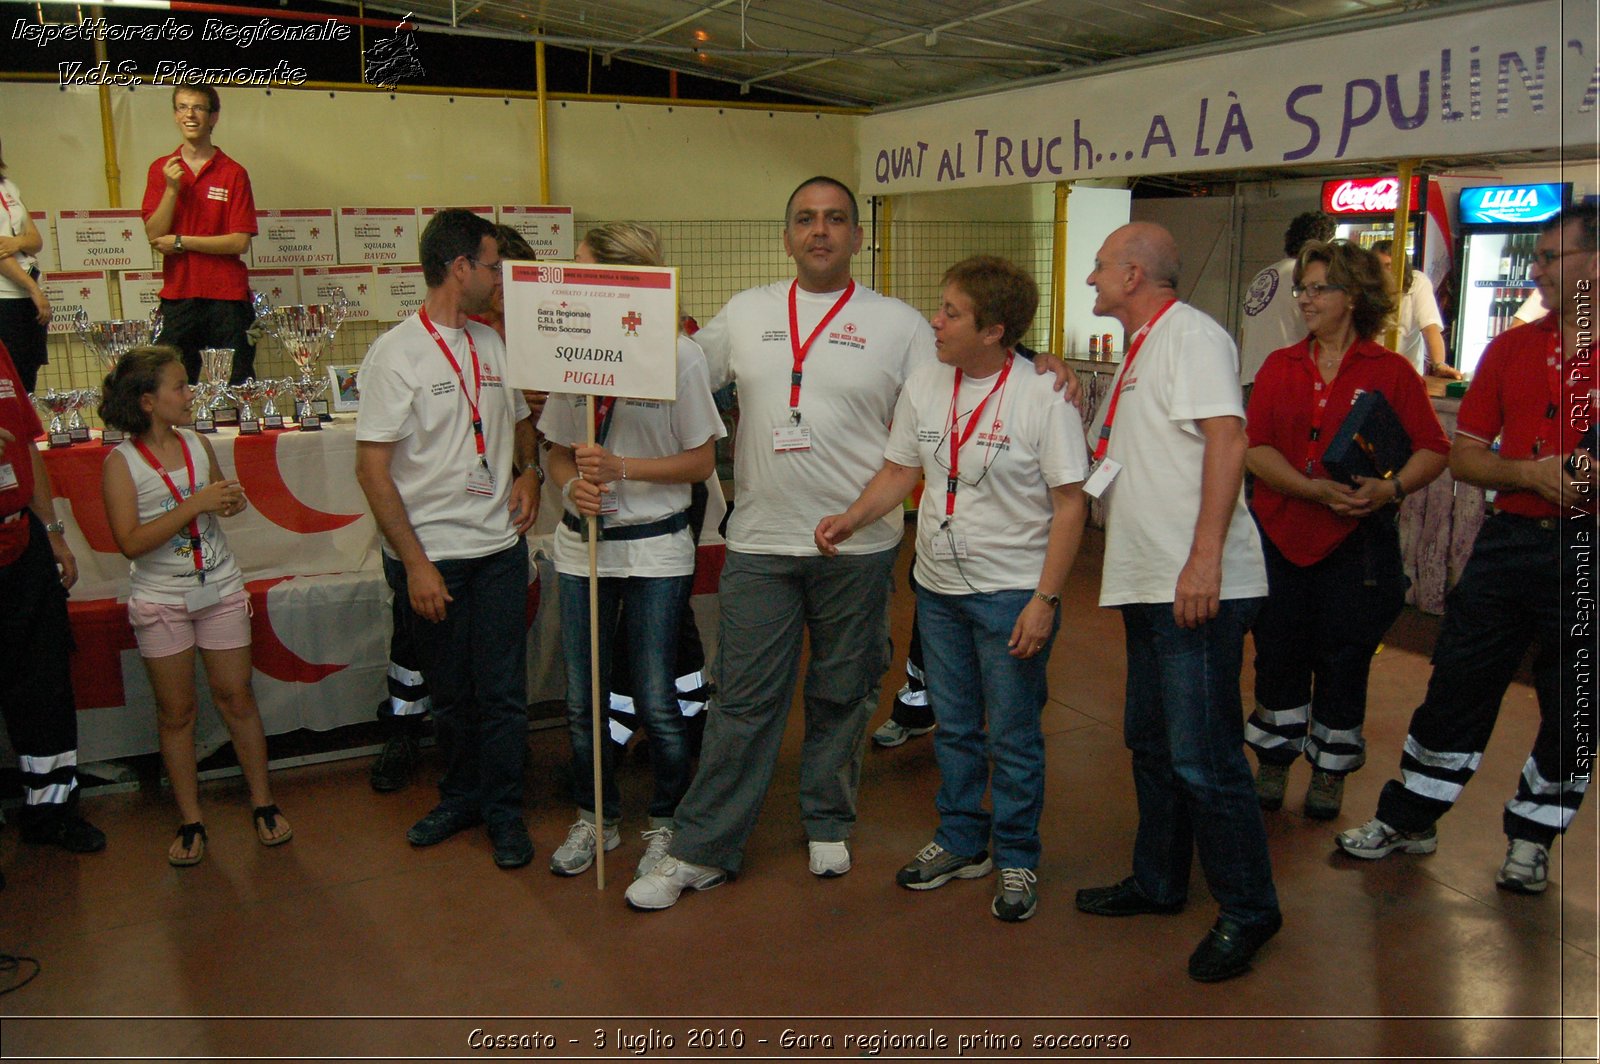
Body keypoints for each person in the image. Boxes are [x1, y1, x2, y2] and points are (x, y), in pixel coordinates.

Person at [623, 176, 938, 911]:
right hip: (762, 542)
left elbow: (957, 388)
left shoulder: (900, 324)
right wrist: (591, 343)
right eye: (805, 219)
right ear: (787, 236)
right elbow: (674, 367)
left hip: (858, 549)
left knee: (843, 692)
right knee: (742, 703)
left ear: (858, 237)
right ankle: (702, 848)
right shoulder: (748, 313)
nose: (819, 231)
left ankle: (828, 818)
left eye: (834, 220)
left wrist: (1035, 363)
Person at [816, 256, 1088, 922]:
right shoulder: (926, 384)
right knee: (957, 729)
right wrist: (852, 517)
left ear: (995, 330)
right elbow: (899, 469)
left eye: (951, 312)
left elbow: (1071, 504)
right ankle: (963, 838)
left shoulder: (1042, 396)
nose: (934, 322)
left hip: (1010, 595)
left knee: (1014, 735)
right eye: (940, 307)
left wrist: (1044, 600)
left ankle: (1018, 851)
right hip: (936, 590)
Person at [1336, 205, 1597, 894]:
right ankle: (1410, 819)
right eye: (1536, 256)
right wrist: (1532, 474)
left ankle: (1533, 837)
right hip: (1509, 543)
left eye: (1551, 257)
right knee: (1457, 681)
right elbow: (1467, 457)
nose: (1535, 269)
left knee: (1575, 704)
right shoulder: (1510, 350)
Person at [1072, 222, 1281, 983]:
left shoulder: (1190, 334)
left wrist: (1203, 561)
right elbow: (1118, 460)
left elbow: (1227, 439)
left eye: (1098, 268)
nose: (1091, 279)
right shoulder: (1140, 351)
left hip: (1192, 585)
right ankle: (1159, 883)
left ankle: (1251, 910)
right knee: (1154, 745)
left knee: (1205, 757)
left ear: (1133, 275)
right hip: (1148, 581)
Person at [355, 208, 542, 869]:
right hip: (434, 560)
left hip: (497, 553)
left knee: (501, 694)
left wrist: (531, 474)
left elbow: (521, 423)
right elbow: (371, 469)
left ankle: (504, 812)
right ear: (459, 267)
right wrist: (416, 565)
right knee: (453, 696)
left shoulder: (493, 345)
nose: (500, 278)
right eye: (493, 265)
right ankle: (460, 796)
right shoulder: (395, 354)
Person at [539, 223, 725, 879]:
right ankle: (596, 818)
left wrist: (624, 469)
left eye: (585, 269)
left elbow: (702, 459)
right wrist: (572, 488)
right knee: (583, 698)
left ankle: (667, 822)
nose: (573, 279)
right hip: (584, 547)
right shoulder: (568, 349)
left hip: (654, 550)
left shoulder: (680, 355)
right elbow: (558, 453)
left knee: (654, 696)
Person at [1243, 240, 1450, 820]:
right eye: (1302, 289)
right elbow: (1253, 448)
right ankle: (1275, 760)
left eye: (1317, 289)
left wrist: (1392, 488)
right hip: (1281, 539)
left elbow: (1434, 448)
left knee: (1344, 657)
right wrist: (1311, 490)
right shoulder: (1279, 366)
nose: (1304, 299)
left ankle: (1331, 769)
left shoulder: (1392, 372)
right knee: (1277, 653)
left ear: (1353, 297)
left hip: (1356, 547)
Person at [98, 346, 290, 865]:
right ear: (146, 401)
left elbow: (213, 507)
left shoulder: (196, 443)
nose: (190, 394)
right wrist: (195, 504)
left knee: (236, 697)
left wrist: (228, 500)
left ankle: (263, 803)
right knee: (177, 712)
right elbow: (130, 542)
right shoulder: (121, 464)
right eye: (180, 387)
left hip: (219, 586)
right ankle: (190, 818)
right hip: (161, 598)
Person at [0, 340, 105, 863]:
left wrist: (53, 531)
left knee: (44, 684)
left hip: (22, 545)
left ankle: (52, 811)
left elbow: (25, 446)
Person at [141, 85, 258, 385]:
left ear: (213, 117)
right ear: (175, 115)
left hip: (226, 297)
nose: (189, 114)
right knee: (170, 386)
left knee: (236, 383)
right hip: (179, 296)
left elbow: (239, 241)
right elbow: (155, 235)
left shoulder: (233, 172)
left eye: (198, 108)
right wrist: (171, 189)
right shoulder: (161, 169)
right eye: (182, 107)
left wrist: (181, 242)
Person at [1239, 211, 1336, 385]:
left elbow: (1245, 332)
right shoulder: (1307, 277)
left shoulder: (1262, 275)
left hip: (1250, 377)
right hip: (1286, 378)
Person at [0, 140, 51, 394]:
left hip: (27, 297)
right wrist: (33, 289)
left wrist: (16, 242)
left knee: (28, 372)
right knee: (8, 379)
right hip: (5, 298)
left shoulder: (9, 186)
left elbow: (35, 240)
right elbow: (0, 252)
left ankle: (26, 432)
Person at [1372, 238, 1461, 380]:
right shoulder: (1365, 287)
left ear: (1402, 267)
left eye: (1389, 266)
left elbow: (1430, 328)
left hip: (1406, 374)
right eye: (1378, 267)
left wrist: (1439, 364)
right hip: (1371, 371)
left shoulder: (1417, 282)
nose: (1384, 273)